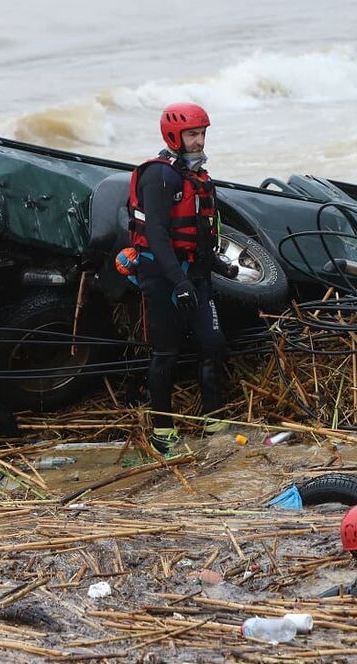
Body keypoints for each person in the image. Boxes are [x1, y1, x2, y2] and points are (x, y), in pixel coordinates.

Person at [127, 102, 237, 454]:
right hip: (163, 276)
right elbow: (157, 236)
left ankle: (214, 419)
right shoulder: (159, 176)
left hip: (197, 275)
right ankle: (163, 430)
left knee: (212, 343)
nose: (199, 141)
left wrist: (217, 266)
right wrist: (179, 283)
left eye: (202, 133)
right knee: (165, 353)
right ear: (174, 136)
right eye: (192, 134)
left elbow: (203, 233)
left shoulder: (199, 178)